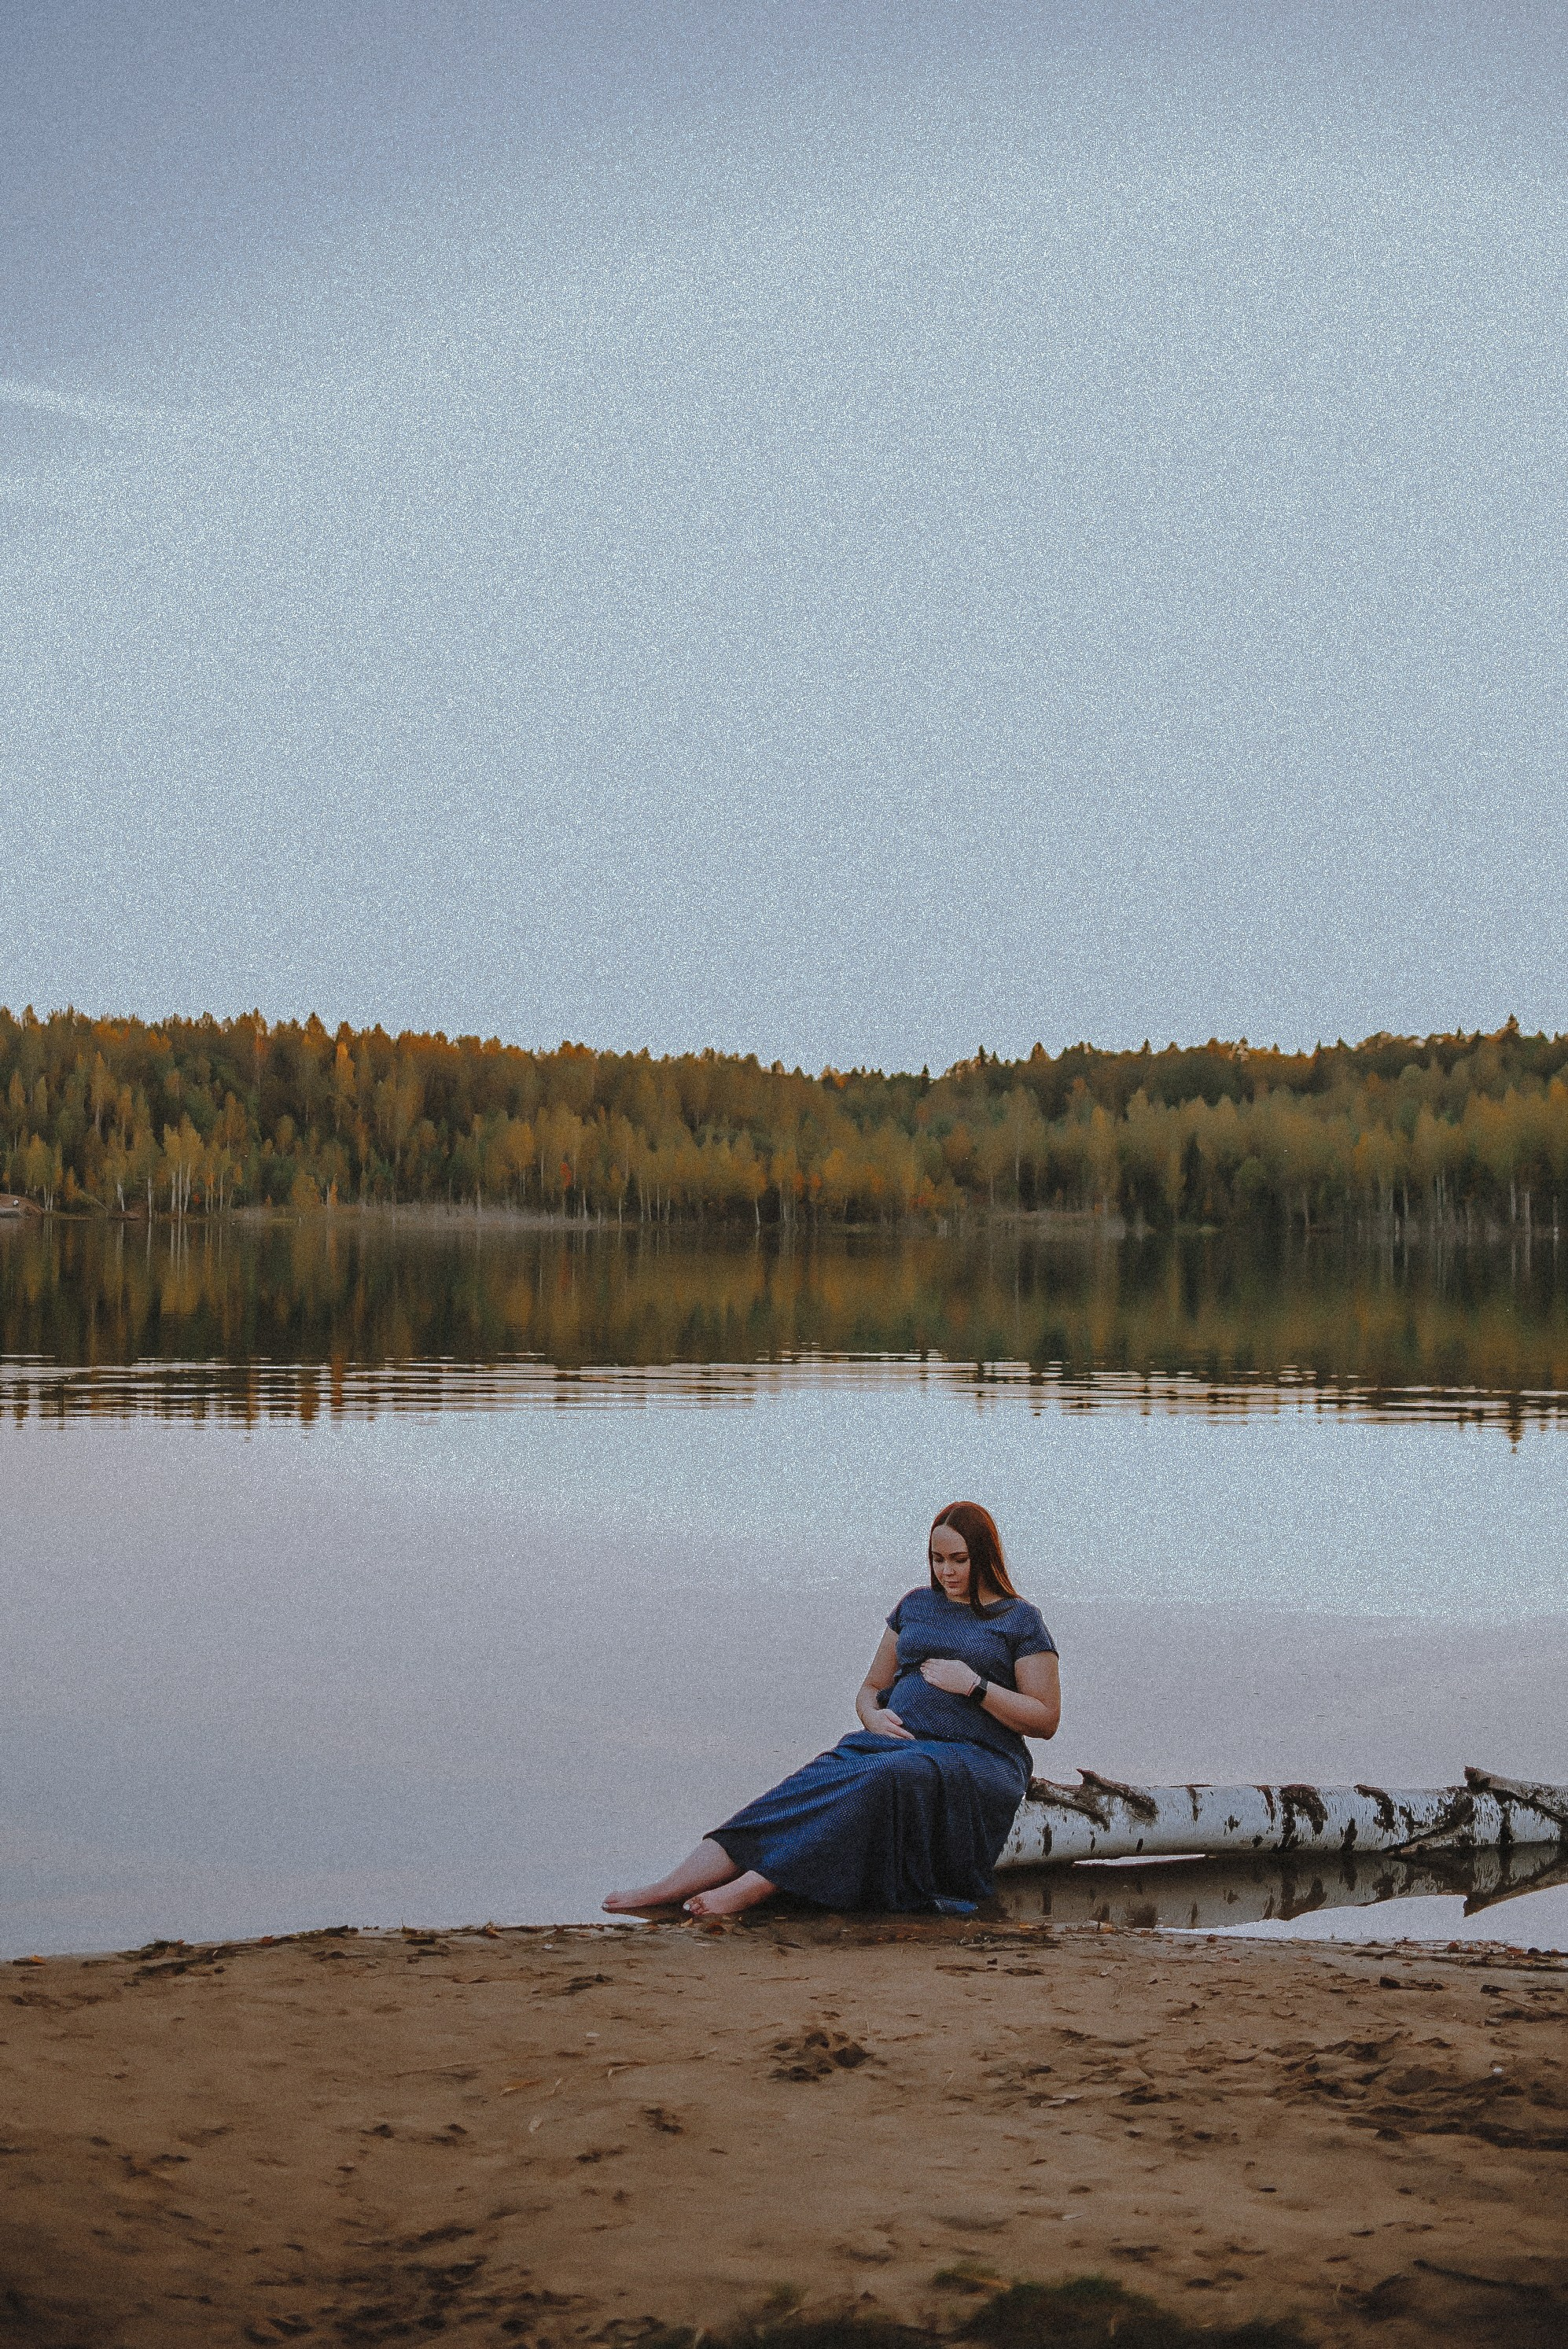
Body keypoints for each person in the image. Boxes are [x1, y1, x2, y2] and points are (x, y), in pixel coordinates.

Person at [602, 1501, 1060, 1920]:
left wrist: (976, 1687)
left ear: (984, 1555)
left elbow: (1045, 1719)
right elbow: (872, 1687)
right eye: (938, 1559)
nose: (946, 1571)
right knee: (801, 1790)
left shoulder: (1017, 1619)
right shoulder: (915, 1605)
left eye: (958, 1560)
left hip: (978, 1758)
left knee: (885, 1780)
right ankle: (668, 1886)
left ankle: (754, 1887)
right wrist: (872, 1717)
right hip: (889, 1744)